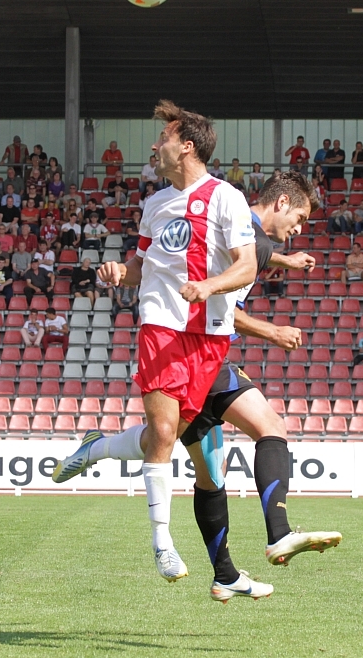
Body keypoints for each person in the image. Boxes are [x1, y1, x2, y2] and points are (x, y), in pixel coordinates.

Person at [54, 169, 342, 598]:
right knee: (266, 430)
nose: (298, 229)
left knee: (203, 470)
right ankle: (277, 534)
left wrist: (286, 261)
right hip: (197, 350)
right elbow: (228, 302)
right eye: (299, 218)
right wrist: (273, 331)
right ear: (281, 203)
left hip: (205, 353)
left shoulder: (246, 232)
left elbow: (248, 255)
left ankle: (225, 574)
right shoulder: (245, 232)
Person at [94, 100, 258, 583]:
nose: (154, 146)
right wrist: (119, 272)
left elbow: (247, 265)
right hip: (161, 325)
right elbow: (140, 267)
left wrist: (209, 287)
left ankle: (96, 448)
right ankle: (162, 543)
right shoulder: (154, 204)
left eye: (163, 138)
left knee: (165, 436)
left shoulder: (226, 197)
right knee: (164, 433)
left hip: (210, 336)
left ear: (186, 146)